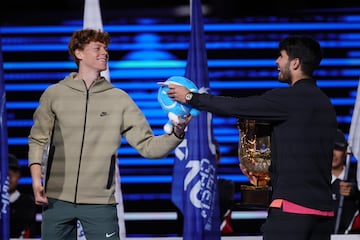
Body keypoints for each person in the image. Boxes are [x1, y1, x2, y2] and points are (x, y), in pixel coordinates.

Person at [168, 35, 338, 240]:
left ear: (295, 63)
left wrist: (190, 97)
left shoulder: (287, 99)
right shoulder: (326, 104)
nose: (277, 61)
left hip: (292, 214)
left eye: (281, 56)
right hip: (323, 215)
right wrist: (265, 173)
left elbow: (236, 107)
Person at [28, 28, 192, 240]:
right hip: (56, 200)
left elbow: (148, 146)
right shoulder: (54, 94)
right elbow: (37, 139)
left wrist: (176, 134)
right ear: (79, 53)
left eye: (105, 48)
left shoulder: (119, 99)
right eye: (97, 48)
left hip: (100, 203)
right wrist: (35, 181)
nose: (104, 52)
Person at [331, 128, 360, 234]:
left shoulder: (357, 179)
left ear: (345, 151)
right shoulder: (316, 182)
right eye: (328, 148)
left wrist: (355, 192)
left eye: (337, 148)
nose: (332, 153)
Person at [9, 153, 37, 238]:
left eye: (13, 171)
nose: (9, 175)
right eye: (3, 170)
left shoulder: (28, 202)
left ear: (19, 176)